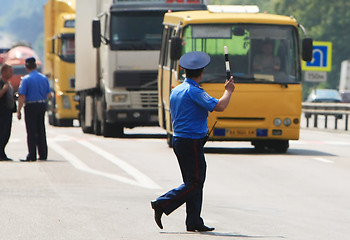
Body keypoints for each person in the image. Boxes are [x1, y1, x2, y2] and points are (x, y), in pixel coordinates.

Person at [151, 51, 235, 232]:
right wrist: (228, 91)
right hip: (191, 142)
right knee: (196, 182)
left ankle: (194, 221)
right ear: (201, 72)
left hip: (179, 140)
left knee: (192, 182)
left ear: (185, 71)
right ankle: (162, 204)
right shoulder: (194, 91)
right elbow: (219, 106)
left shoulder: (177, 90)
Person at [17, 57, 51, 161]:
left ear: (26, 67)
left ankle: (32, 155)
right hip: (41, 104)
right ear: (36, 66)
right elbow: (48, 94)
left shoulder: (26, 79)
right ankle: (43, 154)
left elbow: (22, 95)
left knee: (31, 131)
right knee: (41, 129)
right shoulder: (44, 78)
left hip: (31, 106)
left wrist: (19, 110)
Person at [0, 64, 15, 161]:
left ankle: (2, 153)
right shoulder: (1, 83)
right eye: (10, 71)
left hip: (8, 112)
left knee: (6, 133)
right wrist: (4, 89)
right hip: (1, 112)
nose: (12, 73)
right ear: (4, 72)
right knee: (2, 133)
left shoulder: (8, 83)